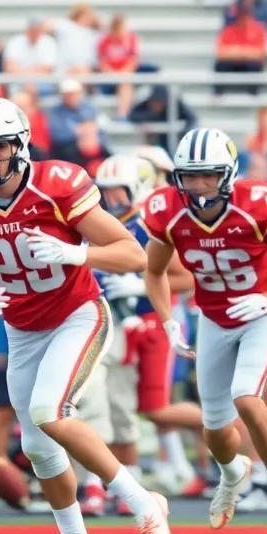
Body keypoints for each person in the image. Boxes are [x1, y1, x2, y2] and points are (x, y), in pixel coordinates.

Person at [0, 97, 170, 534]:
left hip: (77, 313)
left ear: (20, 144)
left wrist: (75, 254)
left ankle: (144, 504)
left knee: (48, 412)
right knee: (37, 446)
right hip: (22, 328)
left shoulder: (57, 185)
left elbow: (132, 254)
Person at [141, 128, 267, 534]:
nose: (199, 185)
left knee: (246, 395)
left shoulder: (255, 204)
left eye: (208, 175)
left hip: (266, 311)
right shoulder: (166, 210)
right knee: (215, 428)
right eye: (190, 175)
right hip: (213, 317)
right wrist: (168, 319)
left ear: (228, 173)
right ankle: (231, 475)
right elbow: (153, 271)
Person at [75, 154, 202, 513]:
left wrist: (139, 285)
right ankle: (98, 485)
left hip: (143, 325)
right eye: (107, 193)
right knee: (96, 403)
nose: (112, 201)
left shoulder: (149, 225)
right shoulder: (94, 223)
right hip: (101, 323)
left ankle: (127, 481)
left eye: (119, 193)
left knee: (134, 409)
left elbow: (184, 278)